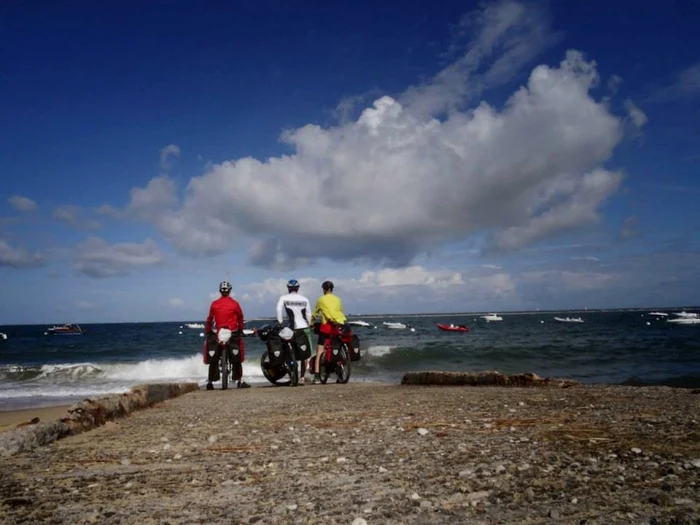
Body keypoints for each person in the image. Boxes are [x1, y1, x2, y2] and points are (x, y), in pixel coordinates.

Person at [205, 280, 250, 390]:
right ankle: (239, 381)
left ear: (220, 291)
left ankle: (210, 382)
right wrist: (241, 329)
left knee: (214, 357)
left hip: (218, 333)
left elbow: (210, 319)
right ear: (229, 291)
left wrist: (208, 331)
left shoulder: (214, 304)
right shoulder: (235, 304)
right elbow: (240, 317)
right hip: (232, 332)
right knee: (237, 357)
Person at [276, 279, 314, 385]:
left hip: (292, 328)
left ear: (288, 288)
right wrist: (310, 324)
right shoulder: (304, 299)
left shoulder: (284, 298)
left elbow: (278, 309)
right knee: (305, 353)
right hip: (304, 328)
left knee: (288, 350)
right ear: (298, 288)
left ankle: (292, 370)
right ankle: (302, 377)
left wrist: (280, 322)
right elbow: (309, 314)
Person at [310, 280, 346, 384]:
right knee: (336, 348)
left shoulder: (321, 299)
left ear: (324, 289)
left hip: (327, 327)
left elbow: (315, 314)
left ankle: (317, 376)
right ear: (332, 289)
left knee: (320, 350)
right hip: (338, 326)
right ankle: (340, 374)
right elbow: (341, 311)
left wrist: (311, 323)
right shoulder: (338, 299)